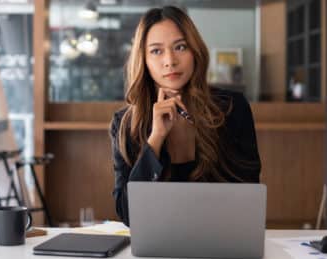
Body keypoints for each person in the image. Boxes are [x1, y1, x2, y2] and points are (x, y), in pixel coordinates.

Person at [109, 6, 261, 226]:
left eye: (180, 47)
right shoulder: (125, 124)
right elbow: (128, 215)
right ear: (144, 60)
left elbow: (248, 196)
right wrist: (156, 139)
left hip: (221, 240)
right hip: (157, 245)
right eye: (156, 51)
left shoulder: (232, 108)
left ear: (195, 52)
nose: (170, 60)